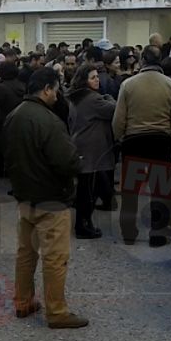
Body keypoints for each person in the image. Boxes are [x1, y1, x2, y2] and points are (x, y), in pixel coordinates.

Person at [4, 68, 87, 329]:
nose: (58, 95)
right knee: (55, 257)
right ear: (47, 89)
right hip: (51, 198)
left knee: (26, 253)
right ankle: (57, 311)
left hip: (25, 195)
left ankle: (23, 301)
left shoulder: (14, 116)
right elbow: (66, 161)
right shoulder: (49, 121)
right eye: (56, 90)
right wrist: (77, 162)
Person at [113, 45, 171, 247]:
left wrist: (119, 137)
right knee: (160, 190)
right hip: (160, 141)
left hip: (134, 140)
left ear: (142, 60)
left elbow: (119, 118)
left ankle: (128, 232)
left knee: (130, 190)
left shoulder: (128, 84)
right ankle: (158, 233)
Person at [68, 64, 116, 239]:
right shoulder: (92, 99)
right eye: (93, 77)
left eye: (97, 77)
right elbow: (113, 109)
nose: (97, 80)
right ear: (84, 80)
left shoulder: (76, 96)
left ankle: (84, 223)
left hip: (81, 145)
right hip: (91, 150)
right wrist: (109, 97)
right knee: (88, 190)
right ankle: (83, 226)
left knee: (85, 188)